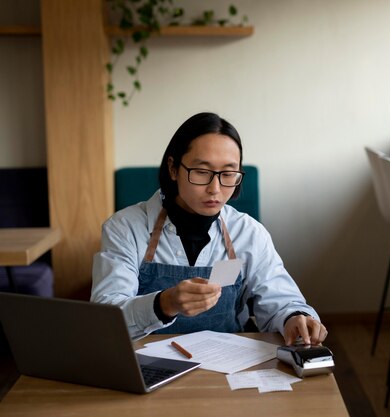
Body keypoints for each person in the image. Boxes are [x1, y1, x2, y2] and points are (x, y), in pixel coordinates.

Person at [91, 112, 327, 346]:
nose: (215, 189)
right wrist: (163, 304)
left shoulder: (248, 233)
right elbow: (105, 317)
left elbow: (282, 302)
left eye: (227, 174)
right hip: (146, 367)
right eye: (202, 172)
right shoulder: (125, 228)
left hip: (229, 368)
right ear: (173, 169)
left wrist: (294, 318)